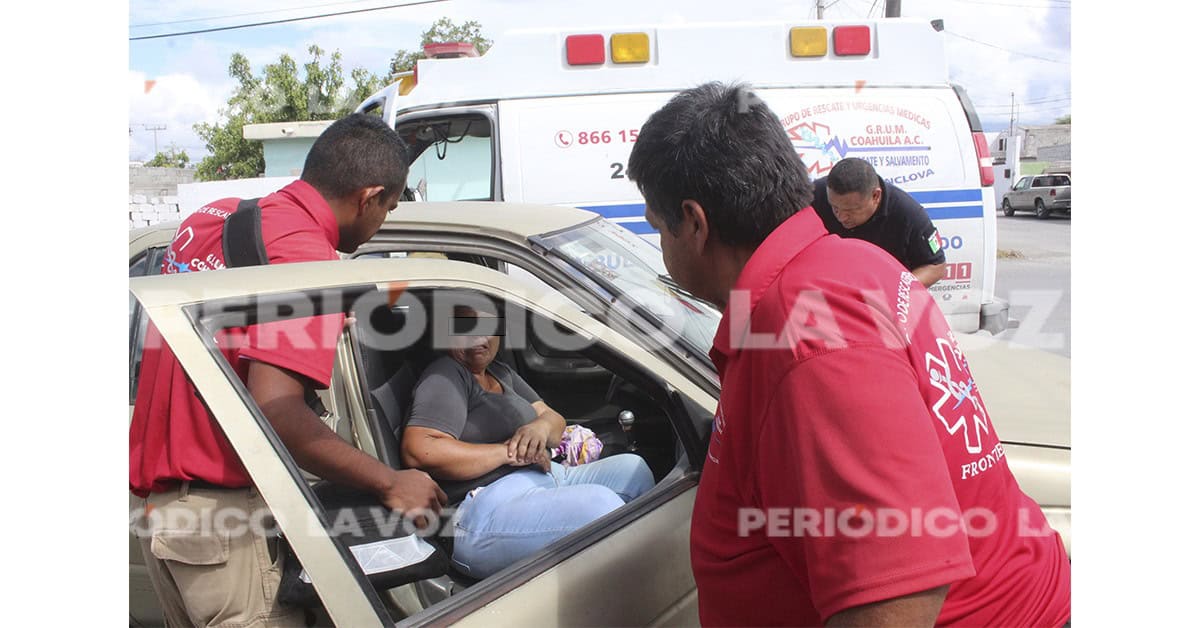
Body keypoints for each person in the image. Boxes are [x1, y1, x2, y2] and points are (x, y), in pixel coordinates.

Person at [626, 83, 1069, 627]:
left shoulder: (806, 336)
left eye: (655, 226)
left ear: (694, 223)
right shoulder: (847, 264)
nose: (660, 246)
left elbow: (896, 603)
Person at [129, 113, 447, 627]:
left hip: (165, 519)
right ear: (369, 196)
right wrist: (390, 481)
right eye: (388, 208)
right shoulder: (307, 263)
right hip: (223, 526)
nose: (381, 224)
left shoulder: (212, 217)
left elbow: (217, 342)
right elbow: (276, 409)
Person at [401, 304, 654, 579]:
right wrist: (510, 452)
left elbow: (553, 419)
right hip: (480, 509)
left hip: (547, 476)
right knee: (601, 505)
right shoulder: (447, 374)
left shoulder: (500, 372)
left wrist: (540, 429)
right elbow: (420, 450)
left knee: (634, 470)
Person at [811, 157, 947, 288]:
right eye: (834, 208)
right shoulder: (814, 195)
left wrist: (894, 292)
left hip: (883, 297)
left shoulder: (907, 214)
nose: (841, 217)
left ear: (875, 196)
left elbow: (936, 267)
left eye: (851, 210)